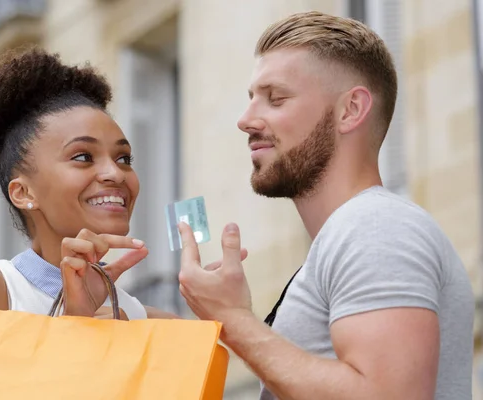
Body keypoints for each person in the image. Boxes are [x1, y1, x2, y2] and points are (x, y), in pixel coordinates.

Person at [177, 11, 474, 400]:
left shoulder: (376, 226)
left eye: (275, 98)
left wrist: (233, 319)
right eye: (251, 99)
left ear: (350, 110)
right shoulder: (350, 236)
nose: (246, 120)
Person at [0, 48, 183, 324]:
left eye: (124, 158)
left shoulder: (151, 322)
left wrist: (221, 310)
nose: (115, 173)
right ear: (23, 193)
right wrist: (75, 323)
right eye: (83, 156)